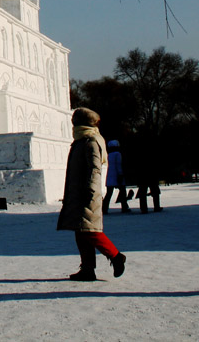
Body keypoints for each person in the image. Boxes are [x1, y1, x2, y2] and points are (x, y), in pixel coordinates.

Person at [57, 107, 127, 281]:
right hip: (78, 194)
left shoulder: (90, 141)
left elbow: (95, 169)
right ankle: (87, 268)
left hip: (87, 193)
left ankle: (116, 256)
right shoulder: (81, 140)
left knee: (90, 231)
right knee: (81, 231)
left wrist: (91, 191)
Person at [102, 140, 131, 214]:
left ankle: (104, 208)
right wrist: (120, 174)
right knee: (122, 192)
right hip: (117, 175)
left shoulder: (109, 154)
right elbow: (118, 164)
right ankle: (124, 207)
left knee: (109, 194)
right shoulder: (117, 154)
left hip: (110, 176)